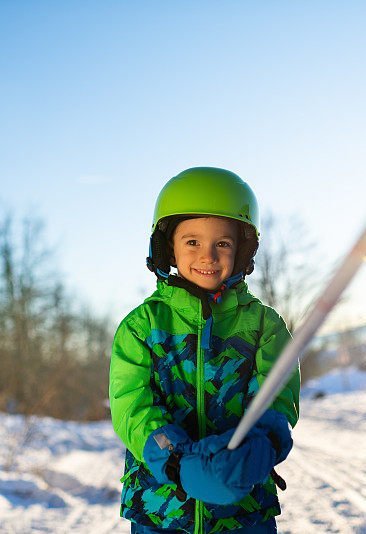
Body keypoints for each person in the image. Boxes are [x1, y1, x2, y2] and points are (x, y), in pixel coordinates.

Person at [110, 167, 301, 534]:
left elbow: (277, 397)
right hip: (160, 508)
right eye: (192, 242)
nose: (208, 256)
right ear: (168, 247)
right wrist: (175, 458)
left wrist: (260, 446)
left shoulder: (265, 326)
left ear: (242, 250)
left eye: (223, 244)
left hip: (242, 510)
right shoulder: (142, 326)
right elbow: (130, 403)